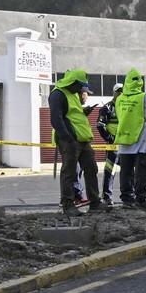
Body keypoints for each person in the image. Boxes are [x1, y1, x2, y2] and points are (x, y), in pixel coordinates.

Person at [50, 70, 103, 215]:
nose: (81, 89)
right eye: (79, 85)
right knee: (69, 172)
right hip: (69, 140)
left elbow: (72, 114)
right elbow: (56, 119)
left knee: (91, 168)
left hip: (82, 139)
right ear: (73, 83)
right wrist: (67, 138)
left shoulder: (72, 94)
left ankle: (95, 202)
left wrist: (84, 112)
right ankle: (68, 204)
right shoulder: (58, 94)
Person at [113, 69, 146, 206]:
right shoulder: (145, 97)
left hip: (124, 140)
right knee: (142, 170)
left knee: (125, 172)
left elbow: (119, 115)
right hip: (142, 141)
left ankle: (127, 199)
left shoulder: (119, 98)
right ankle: (140, 199)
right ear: (140, 82)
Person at [95, 88, 121, 204]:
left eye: (122, 92)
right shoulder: (107, 108)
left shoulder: (126, 107)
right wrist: (109, 138)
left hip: (127, 144)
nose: (120, 94)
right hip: (113, 146)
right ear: (114, 93)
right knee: (110, 170)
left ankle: (129, 195)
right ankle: (107, 196)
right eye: (118, 91)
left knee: (128, 170)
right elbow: (100, 125)